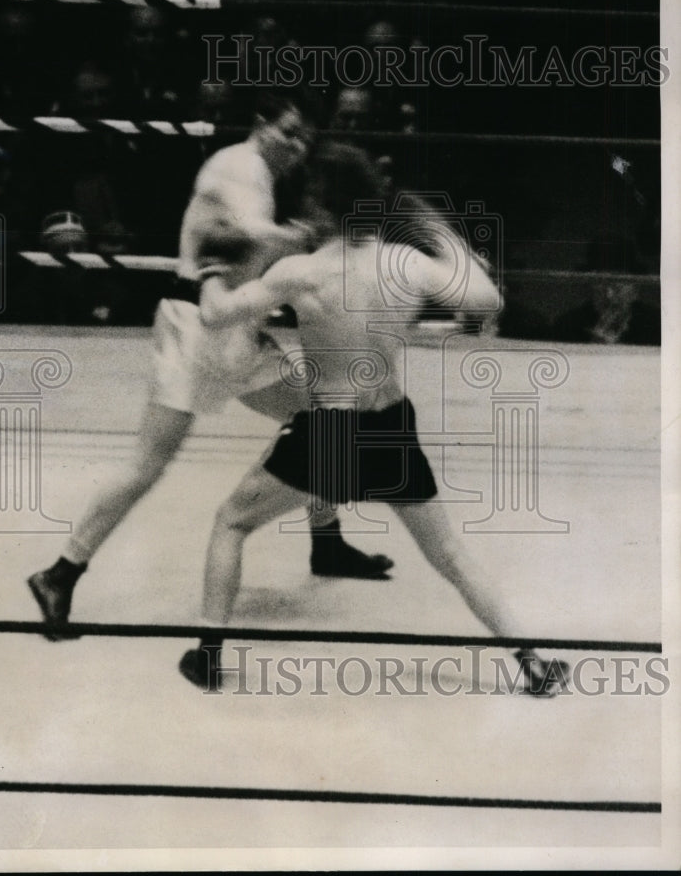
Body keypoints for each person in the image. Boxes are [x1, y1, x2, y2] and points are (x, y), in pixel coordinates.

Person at [180, 144, 570, 698]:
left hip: (330, 433)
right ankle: (533, 662)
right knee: (452, 557)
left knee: (232, 522)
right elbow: (486, 299)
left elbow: (216, 315)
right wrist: (437, 230)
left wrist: (212, 268)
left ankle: (209, 657)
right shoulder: (406, 263)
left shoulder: (304, 271)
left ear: (322, 209)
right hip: (389, 426)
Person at [28, 93, 394, 640]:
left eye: (302, 140)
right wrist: (320, 234)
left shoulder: (262, 174)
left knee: (323, 415)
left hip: (230, 330)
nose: (293, 147)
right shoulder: (237, 167)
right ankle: (61, 572)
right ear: (260, 122)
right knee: (148, 464)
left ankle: (327, 541)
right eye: (286, 132)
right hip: (196, 328)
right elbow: (248, 232)